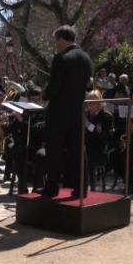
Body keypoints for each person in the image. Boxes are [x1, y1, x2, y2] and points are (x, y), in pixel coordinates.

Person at [42, 25, 93, 197]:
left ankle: (52, 187)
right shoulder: (86, 58)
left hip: (58, 112)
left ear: (62, 39)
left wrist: (45, 94)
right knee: (78, 149)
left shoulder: (61, 58)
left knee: (54, 149)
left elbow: (54, 87)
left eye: (57, 40)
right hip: (77, 111)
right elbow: (88, 85)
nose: (56, 44)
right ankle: (81, 188)